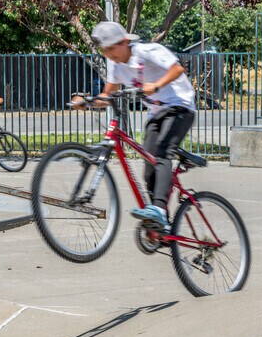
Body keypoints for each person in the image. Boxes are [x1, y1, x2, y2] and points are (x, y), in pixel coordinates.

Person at [72, 21, 196, 231]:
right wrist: (88, 101)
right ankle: (158, 218)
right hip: (156, 113)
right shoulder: (115, 66)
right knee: (149, 167)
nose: (109, 55)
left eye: (112, 49)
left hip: (179, 106)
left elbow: (177, 69)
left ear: (125, 42)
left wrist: (156, 85)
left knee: (162, 154)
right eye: (105, 51)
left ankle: (158, 209)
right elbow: (107, 95)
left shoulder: (147, 52)